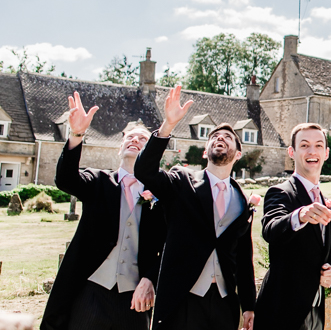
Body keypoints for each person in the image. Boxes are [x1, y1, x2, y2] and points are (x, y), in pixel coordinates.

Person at [134, 85, 255, 330]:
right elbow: (144, 171)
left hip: (223, 303)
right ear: (204, 152)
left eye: (228, 137)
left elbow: (244, 256)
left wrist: (249, 304)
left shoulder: (242, 201)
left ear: (239, 154)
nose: (220, 138)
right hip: (182, 299)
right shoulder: (181, 181)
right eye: (214, 136)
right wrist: (167, 126)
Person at [41, 93, 166, 330]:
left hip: (134, 299)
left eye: (142, 138)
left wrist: (150, 278)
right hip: (91, 292)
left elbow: (165, 246)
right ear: (119, 148)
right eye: (129, 137)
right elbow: (66, 179)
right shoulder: (98, 181)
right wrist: (77, 135)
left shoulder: (161, 194)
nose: (134, 140)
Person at [254, 123, 331, 330]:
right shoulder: (280, 192)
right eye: (304, 145)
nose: (312, 151)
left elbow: (329, 251)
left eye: (319, 145)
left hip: (315, 311)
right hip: (282, 311)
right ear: (292, 152)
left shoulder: (324, 199)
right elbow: (271, 230)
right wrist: (300, 215)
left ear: (326, 153)